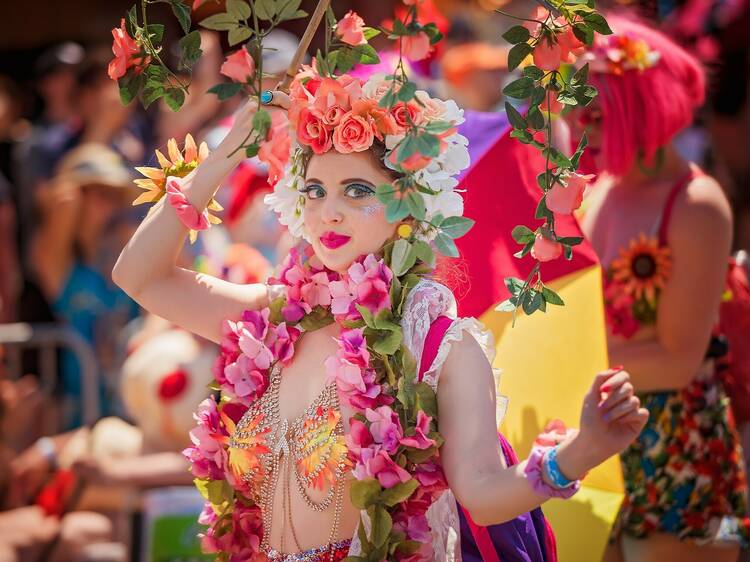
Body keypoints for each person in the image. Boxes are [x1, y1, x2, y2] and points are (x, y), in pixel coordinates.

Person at [112, 68, 648, 561]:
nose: (330, 211)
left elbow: (483, 495)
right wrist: (229, 151)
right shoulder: (272, 320)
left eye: (358, 189)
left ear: (413, 202)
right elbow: (139, 276)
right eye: (316, 190)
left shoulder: (441, 346)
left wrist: (578, 454)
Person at [572, 14, 747, 562]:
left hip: (675, 449)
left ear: (641, 107)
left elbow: (676, 361)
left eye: (597, 115)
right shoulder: (596, 189)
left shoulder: (696, 204)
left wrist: (568, 364)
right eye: (578, 113)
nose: (581, 128)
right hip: (598, 433)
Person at [30, 143, 141, 427]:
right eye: (97, 193)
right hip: (80, 412)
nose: (108, 205)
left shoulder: (121, 251)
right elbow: (64, 203)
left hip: (128, 405)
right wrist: (72, 189)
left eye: (114, 196)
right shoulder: (56, 261)